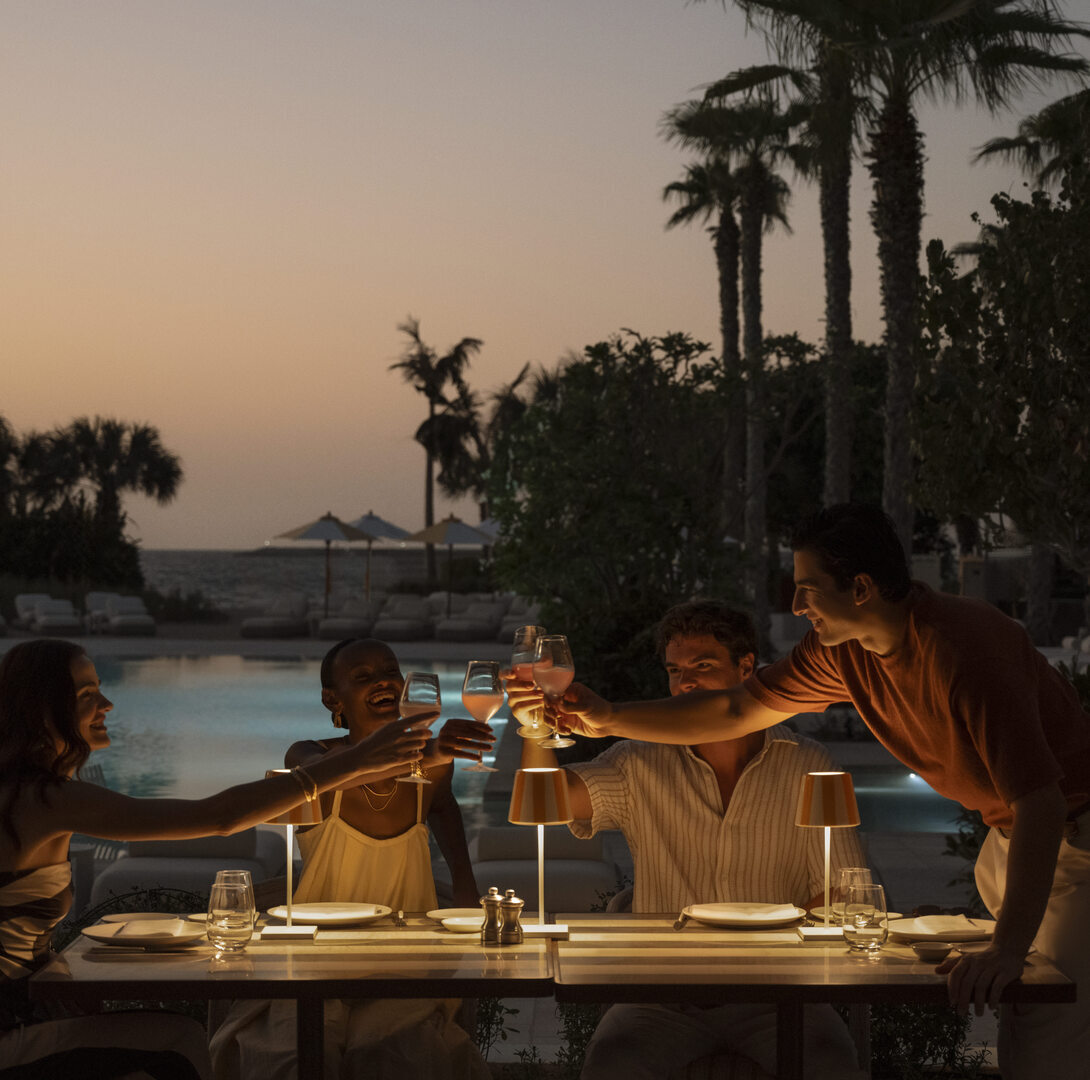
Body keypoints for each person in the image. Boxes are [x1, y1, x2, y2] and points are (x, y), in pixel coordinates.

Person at [554, 505, 1090, 1080]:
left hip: (1075, 843)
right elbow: (736, 708)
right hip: (1012, 841)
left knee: (1046, 1022)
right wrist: (608, 717)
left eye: (807, 589)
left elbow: (1043, 802)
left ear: (860, 588)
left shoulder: (967, 649)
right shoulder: (844, 653)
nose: (795, 605)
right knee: (1027, 1022)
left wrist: (1007, 948)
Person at [0, 637, 429, 1080]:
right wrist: (353, 761)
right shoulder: (39, 799)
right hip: (10, 1033)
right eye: (87, 695)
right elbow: (219, 816)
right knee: (178, 1042)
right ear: (41, 709)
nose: (106, 703)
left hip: (28, 1012)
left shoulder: (29, 794)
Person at [507, 601, 866, 1080]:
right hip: (662, 996)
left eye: (703, 666)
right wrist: (535, 727)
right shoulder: (639, 762)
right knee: (612, 1063)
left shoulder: (807, 763)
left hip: (778, 996)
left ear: (746, 668)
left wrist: (796, 963)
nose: (686, 683)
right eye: (676, 671)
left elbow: (838, 890)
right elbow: (546, 805)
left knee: (831, 1064)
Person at [209, 638, 494, 1080]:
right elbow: (343, 769)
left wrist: (464, 887)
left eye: (390, 672)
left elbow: (441, 805)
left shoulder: (433, 766)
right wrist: (429, 750)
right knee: (298, 1055)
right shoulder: (308, 756)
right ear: (332, 698)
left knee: (396, 1055)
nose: (382, 681)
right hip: (313, 952)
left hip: (406, 957)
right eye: (362, 677)